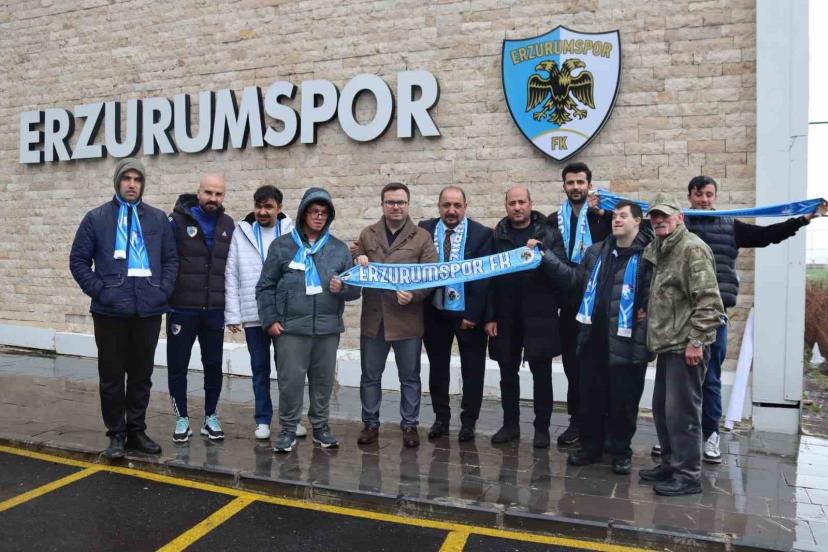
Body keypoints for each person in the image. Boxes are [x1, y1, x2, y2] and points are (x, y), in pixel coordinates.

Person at [652, 176, 828, 463]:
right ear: (690, 197)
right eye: (699, 195)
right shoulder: (677, 226)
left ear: (715, 197)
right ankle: (671, 437)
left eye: (709, 195)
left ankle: (710, 434)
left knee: (710, 378)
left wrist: (803, 218)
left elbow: (768, 235)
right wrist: (600, 210)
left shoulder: (729, 226)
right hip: (677, 317)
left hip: (713, 316)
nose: (704, 200)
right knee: (674, 381)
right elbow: (638, 228)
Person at [69, 158, 177, 459]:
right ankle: (116, 434)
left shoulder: (157, 219)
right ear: (118, 182)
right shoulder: (96, 218)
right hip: (110, 312)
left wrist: (162, 290)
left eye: (137, 179)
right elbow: (78, 261)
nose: (132, 184)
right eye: (126, 178)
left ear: (143, 184)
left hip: (148, 310)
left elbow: (171, 260)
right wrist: (101, 291)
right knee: (112, 377)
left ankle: (136, 431)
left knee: (142, 375)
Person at [535, 201, 653, 474]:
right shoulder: (596, 251)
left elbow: (653, 296)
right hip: (592, 339)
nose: (617, 220)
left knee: (624, 402)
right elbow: (575, 281)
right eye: (615, 216)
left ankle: (621, 452)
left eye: (623, 216)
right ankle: (590, 448)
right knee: (590, 399)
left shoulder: (648, 256)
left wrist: (645, 324)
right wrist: (546, 257)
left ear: (638, 221)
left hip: (626, 343)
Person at [257, 187, 361, 453]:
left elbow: (355, 289)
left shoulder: (338, 249)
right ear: (304, 213)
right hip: (291, 329)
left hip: (327, 329)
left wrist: (344, 288)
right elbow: (265, 286)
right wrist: (270, 320)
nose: (319, 216)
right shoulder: (282, 246)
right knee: (290, 382)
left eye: (324, 212)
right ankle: (288, 429)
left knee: (323, 382)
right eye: (314, 211)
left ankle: (321, 427)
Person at [638, 194, 724, 496]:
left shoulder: (692, 249)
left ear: (680, 218)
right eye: (654, 216)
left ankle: (688, 475)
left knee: (683, 413)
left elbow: (710, 302)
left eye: (665, 215)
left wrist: (696, 341)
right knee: (663, 410)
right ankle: (670, 463)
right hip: (668, 344)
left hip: (686, 346)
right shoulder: (661, 248)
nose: (659, 220)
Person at [353, 183, 438, 448]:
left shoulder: (421, 237)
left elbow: (432, 274)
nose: (396, 207)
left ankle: (410, 425)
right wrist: (357, 259)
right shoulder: (367, 235)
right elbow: (356, 269)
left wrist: (414, 295)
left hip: (407, 318)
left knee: (409, 377)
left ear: (408, 205)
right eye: (390, 202)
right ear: (382, 205)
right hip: (374, 318)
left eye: (400, 202)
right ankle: (370, 423)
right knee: (370, 375)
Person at [485, 186, 567, 449]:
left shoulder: (550, 235)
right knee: (507, 374)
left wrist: (543, 253)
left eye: (522, 202)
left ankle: (542, 428)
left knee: (542, 376)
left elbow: (562, 271)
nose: (517, 207)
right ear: (506, 206)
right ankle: (510, 425)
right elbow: (488, 279)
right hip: (505, 316)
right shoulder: (496, 236)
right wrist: (490, 316)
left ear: (531, 203)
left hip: (539, 315)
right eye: (512, 203)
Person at [225, 185, 303, 440]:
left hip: (284, 314)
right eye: (258, 206)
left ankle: (292, 419)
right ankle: (262, 420)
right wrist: (233, 314)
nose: (262, 212)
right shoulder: (241, 232)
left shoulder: (292, 232)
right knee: (259, 369)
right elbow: (231, 273)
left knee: (288, 370)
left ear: (279, 208)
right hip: (253, 313)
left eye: (268, 207)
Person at [419, 186, 494, 442]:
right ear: (439, 206)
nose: (451, 210)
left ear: (465, 207)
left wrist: (473, 313)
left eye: (457, 205)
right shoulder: (424, 229)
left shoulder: (482, 234)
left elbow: (485, 277)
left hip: (467, 313)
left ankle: (469, 422)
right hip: (434, 311)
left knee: (473, 369)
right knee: (438, 367)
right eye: (446, 205)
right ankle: (441, 418)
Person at [547, 162, 613, 446]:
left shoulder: (604, 217)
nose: (575, 187)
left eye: (580, 182)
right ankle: (577, 421)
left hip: (599, 303)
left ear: (589, 185)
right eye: (570, 183)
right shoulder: (554, 220)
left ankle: (603, 424)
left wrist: (606, 213)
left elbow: (633, 231)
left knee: (600, 365)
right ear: (564, 186)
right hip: (568, 303)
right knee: (572, 366)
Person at [167, 174, 235, 442]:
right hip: (182, 308)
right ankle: (181, 419)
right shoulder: (176, 221)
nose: (213, 198)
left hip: (214, 310)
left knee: (214, 365)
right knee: (178, 365)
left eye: (218, 194)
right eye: (208, 192)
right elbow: (165, 260)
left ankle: (210, 417)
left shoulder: (228, 224)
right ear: (198, 193)